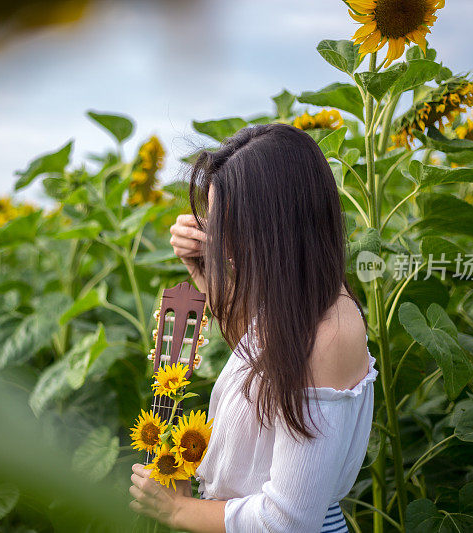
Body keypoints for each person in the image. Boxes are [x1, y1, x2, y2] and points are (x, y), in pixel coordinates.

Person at [129, 123, 377, 533]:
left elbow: (289, 522)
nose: (219, 241)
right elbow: (252, 350)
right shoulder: (301, 301)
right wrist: (204, 270)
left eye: (228, 227)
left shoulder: (329, 333)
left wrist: (177, 510)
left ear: (274, 226)